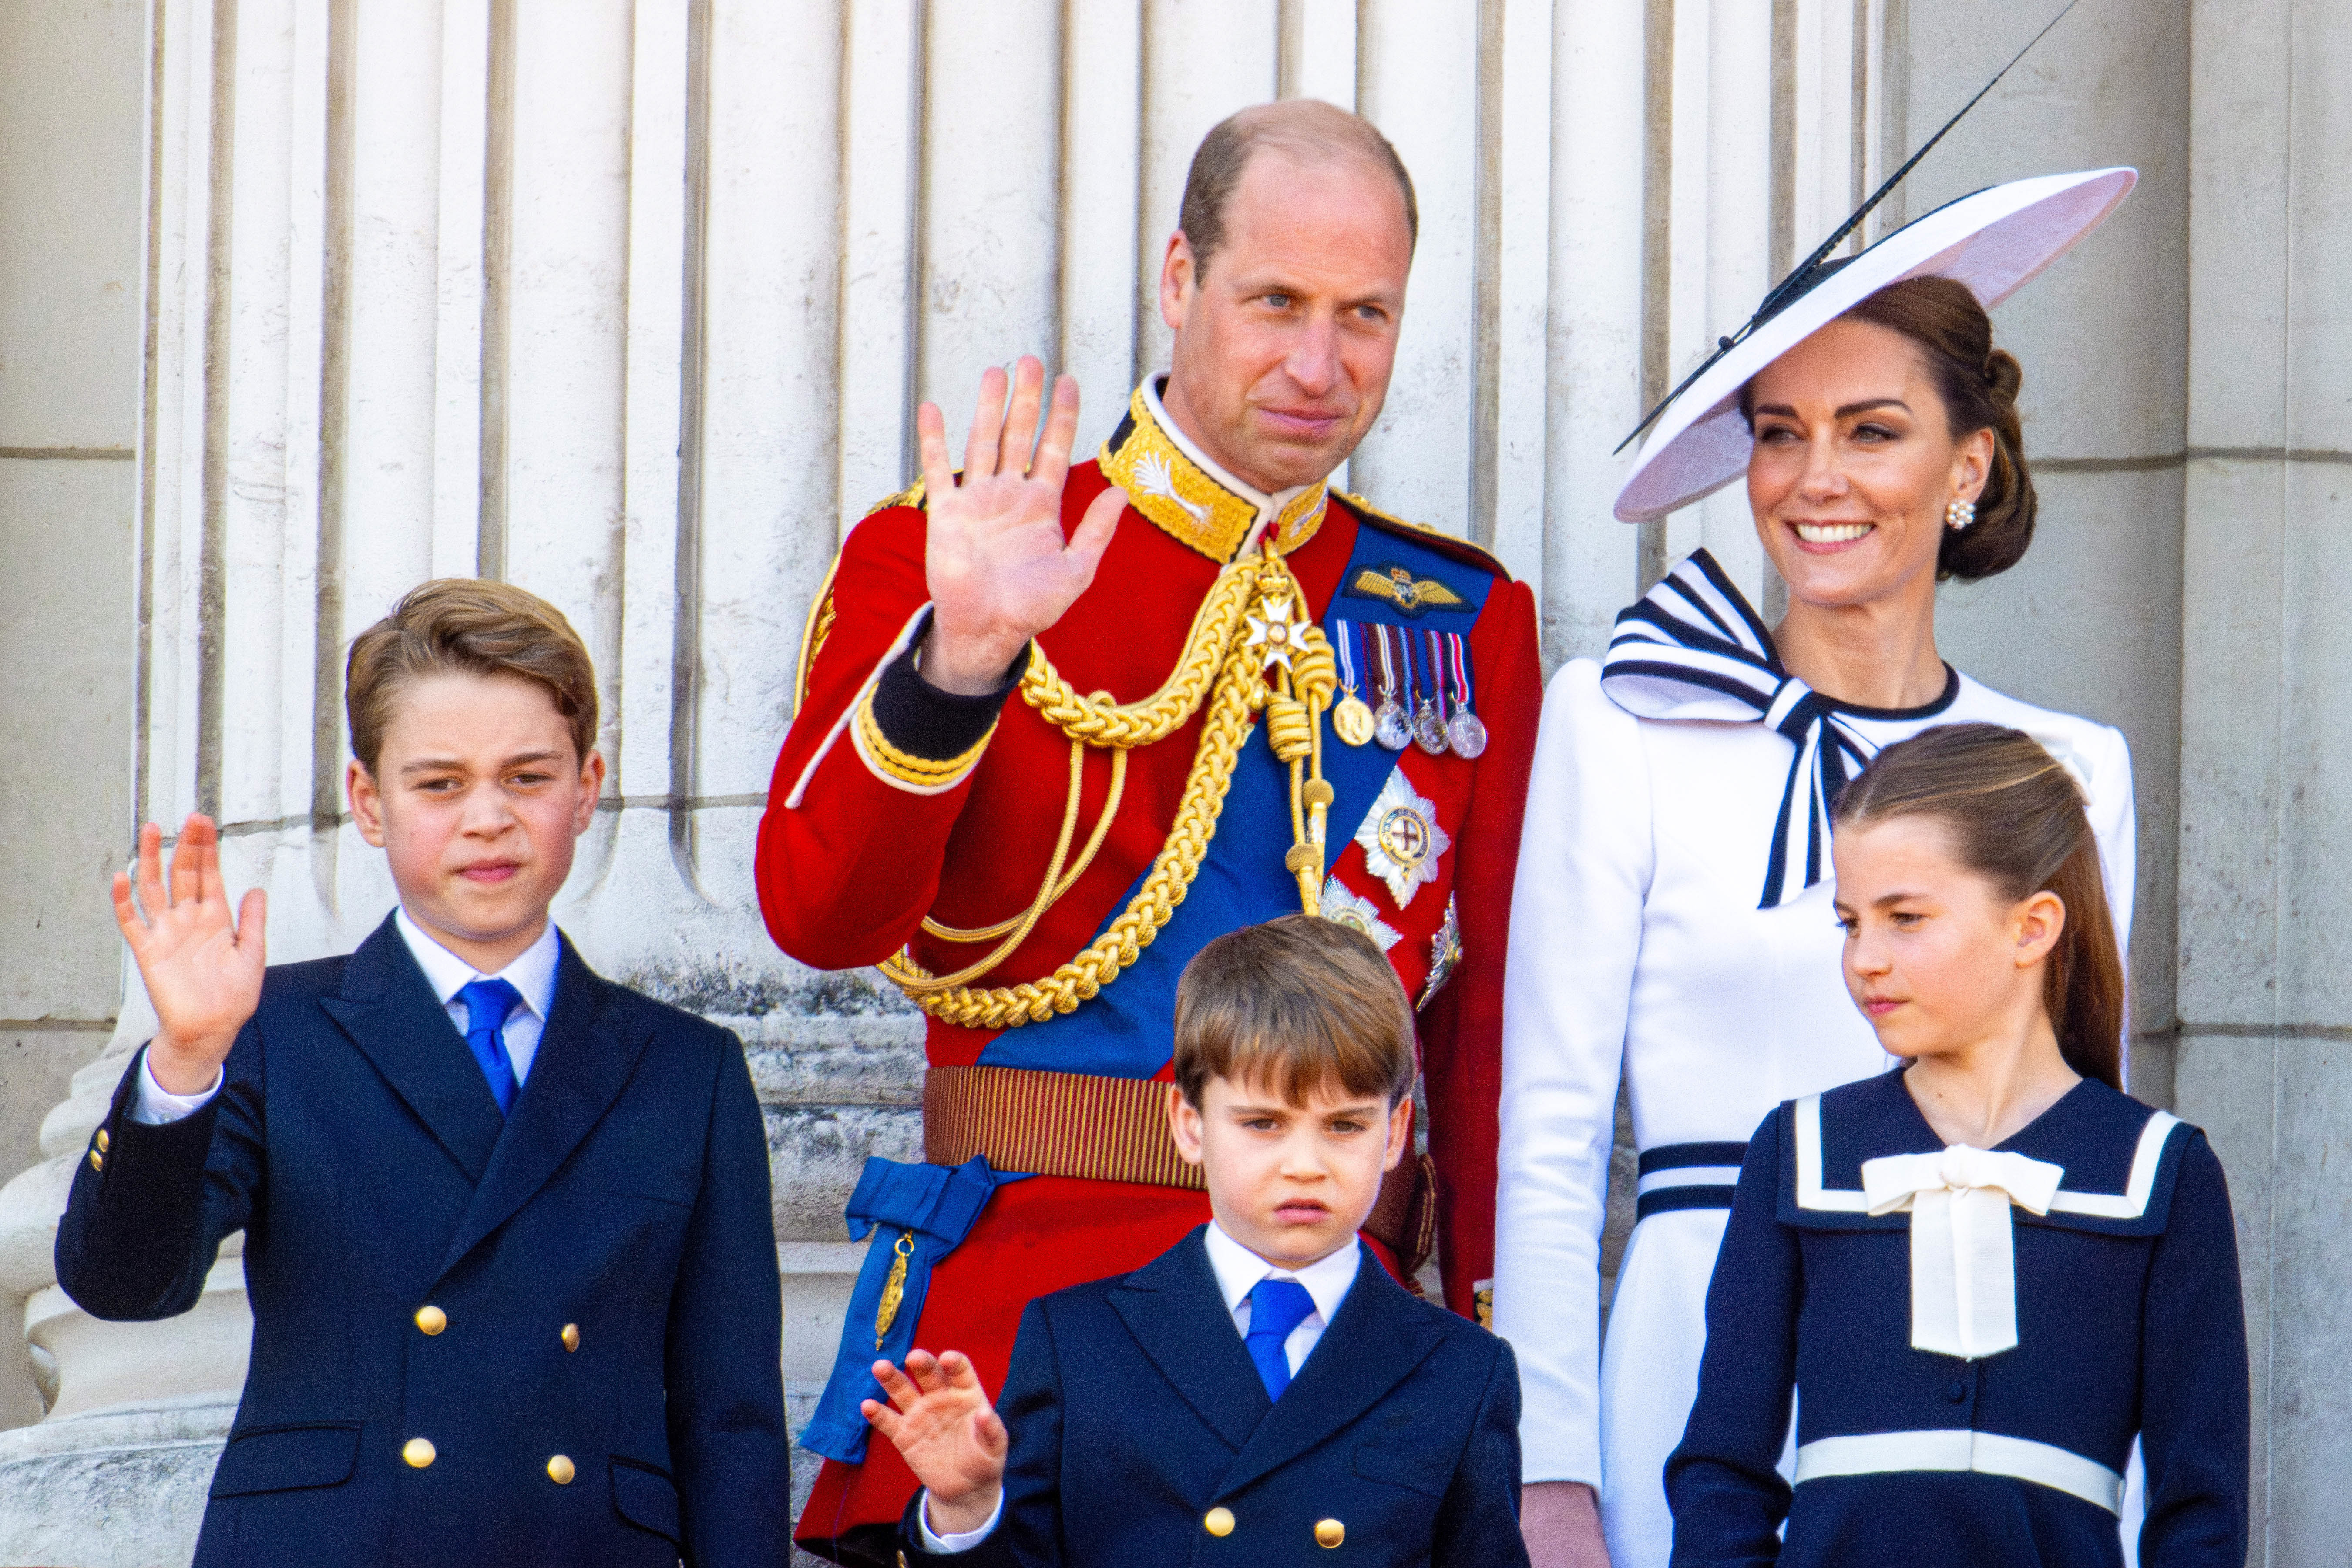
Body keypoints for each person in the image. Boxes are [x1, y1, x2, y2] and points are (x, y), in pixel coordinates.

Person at [761, 100, 1540, 1562]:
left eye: (1364, 314)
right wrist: (965, 657)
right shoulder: (959, 546)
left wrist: (1478, 1340)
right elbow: (817, 911)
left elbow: (1478, 1032)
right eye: (1276, 304)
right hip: (1022, 1344)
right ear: (1179, 281)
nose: (1321, 366)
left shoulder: (1459, 620)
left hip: (1339, 1374)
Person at [1494, 168, 2145, 1568]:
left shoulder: (2068, 768)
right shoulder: (1617, 715)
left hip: (1988, 1375)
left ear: (1966, 466)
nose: (1816, 478)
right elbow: (1546, 1134)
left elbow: (2094, 1142)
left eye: (1872, 430)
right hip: (1687, 1357)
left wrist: (2113, 1476)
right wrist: (1548, 1469)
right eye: (1779, 434)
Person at [54, 581, 789, 1568]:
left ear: (588, 783)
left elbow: (730, 1416)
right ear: (369, 801)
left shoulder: (684, 1069)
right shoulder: (271, 1029)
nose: (487, 818)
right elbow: (125, 1286)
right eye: (439, 783)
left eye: (526, 775)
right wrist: (185, 1058)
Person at [1667, 724, 2248, 1566]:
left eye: (1905, 918)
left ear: (2032, 927)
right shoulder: (1797, 1152)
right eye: (1849, 923)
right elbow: (1722, 1469)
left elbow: (2202, 1513)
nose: (1865, 959)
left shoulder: (2162, 1172)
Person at [863, 915, 1529, 1566]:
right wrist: (967, 1511)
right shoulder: (1078, 1341)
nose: (1305, 1163)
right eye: (1264, 1123)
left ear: (1394, 1132)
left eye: (1345, 1126)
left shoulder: (1462, 1371)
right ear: (1189, 1125)